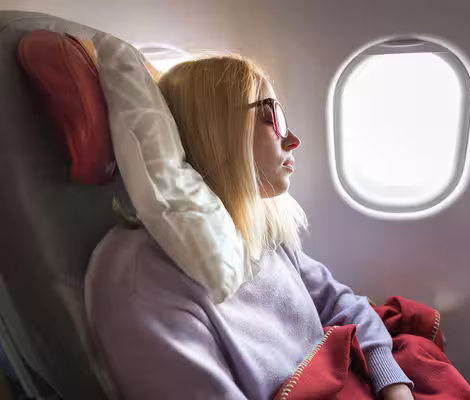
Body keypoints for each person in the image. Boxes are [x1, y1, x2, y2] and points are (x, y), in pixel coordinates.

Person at [85, 55, 414, 400]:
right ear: (219, 129)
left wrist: (391, 383)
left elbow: (340, 302)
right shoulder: (145, 276)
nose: (293, 140)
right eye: (273, 117)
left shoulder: (259, 232)